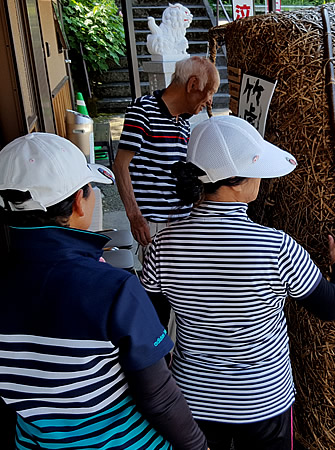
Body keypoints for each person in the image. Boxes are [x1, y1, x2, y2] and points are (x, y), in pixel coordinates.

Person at [140, 115, 335, 450]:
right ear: (236, 182)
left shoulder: (161, 245)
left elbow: (153, 326)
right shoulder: (276, 248)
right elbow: (332, 306)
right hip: (263, 401)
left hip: (194, 401)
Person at [0, 133, 207, 449]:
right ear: (79, 203)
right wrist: (197, 445)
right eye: (90, 188)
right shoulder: (113, 288)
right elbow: (159, 397)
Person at [114, 56, 220, 252]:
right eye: (210, 92)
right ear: (193, 84)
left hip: (183, 220)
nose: (210, 101)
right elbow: (120, 165)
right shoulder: (142, 111)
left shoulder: (183, 123)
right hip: (154, 224)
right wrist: (134, 216)